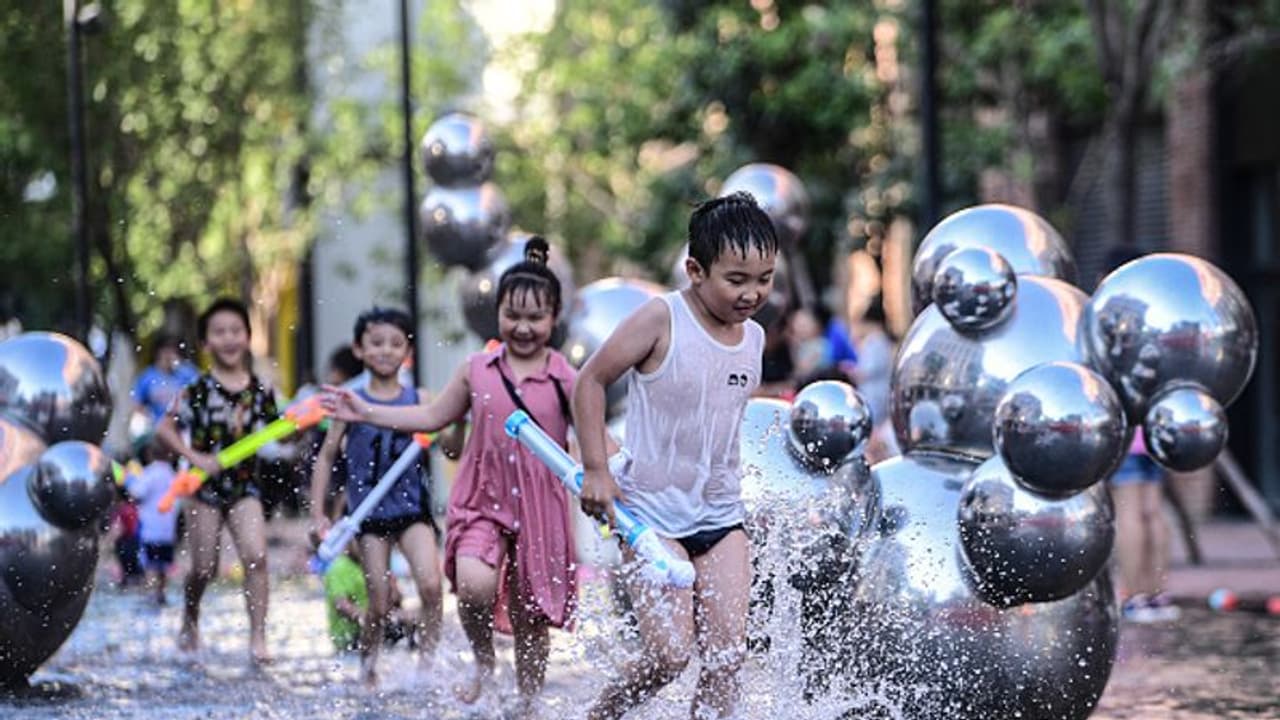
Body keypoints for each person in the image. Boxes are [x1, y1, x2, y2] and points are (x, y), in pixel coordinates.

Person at [323, 238, 579, 715]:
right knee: (474, 585)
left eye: (535, 318)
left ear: (555, 317)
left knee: (530, 615)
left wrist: (613, 475)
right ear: (496, 312)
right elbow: (429, 417)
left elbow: (594, 435)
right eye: (512, 315)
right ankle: (483, 662)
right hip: (482, 500)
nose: (522, 328)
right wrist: (368, 411)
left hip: (540, 509)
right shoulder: (477, 370)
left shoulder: (566, 377)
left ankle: (527, 701)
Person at [573, 192, 778, 720]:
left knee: (728, 656)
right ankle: (602, 714)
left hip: (720, 514)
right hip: (650, 514)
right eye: (737, 279)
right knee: (669, 655)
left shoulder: (753, 337)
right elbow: (590, 381)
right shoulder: (661, 318)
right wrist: (597, 468)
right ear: (695, 269)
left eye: (765, 279)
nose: (752, 293)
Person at [309, 307, 444, 687]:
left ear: (408, 350)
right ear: (359, 348)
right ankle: (368, 669)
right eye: (376, 343)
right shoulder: (349, 401)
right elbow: (327, 455)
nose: (386, 350)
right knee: (380, 601)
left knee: (432, 587)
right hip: (367, 516)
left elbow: (448, 440)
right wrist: (317, 512)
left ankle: (426, 670)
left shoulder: (420, 397)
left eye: (395, 343)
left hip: (412, 510)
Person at [155, 297, 280, 665]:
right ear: (206, 342)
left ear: (247, 337)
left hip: (245, 486)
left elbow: (279, 431)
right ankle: (190, 618)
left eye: (235, 331)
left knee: (256, 557)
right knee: (203, 568)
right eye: (219, 332)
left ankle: (258, 637)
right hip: (203, 489)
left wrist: (295, 430)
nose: (228, 339)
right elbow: (164, 428)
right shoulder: (196, 390)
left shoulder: (260, 390)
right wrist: (195, 458)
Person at [124, 434, 181, 605]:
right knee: (163, 565)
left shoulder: (149, 473)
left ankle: (150, 594)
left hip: (150, 529)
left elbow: (135, 493)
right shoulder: (172, 474)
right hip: (167, 530)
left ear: (149, 454)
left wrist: (128, 480)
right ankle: (161, 593)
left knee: (150, 565)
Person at [132, 332, 199, 424]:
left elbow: (200, 394)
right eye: (165, 351)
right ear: (157, 353)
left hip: (185, 423)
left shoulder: (187, 372)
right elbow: (137, 404)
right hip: (156, 428)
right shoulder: (148, 376)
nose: (169, 355)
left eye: (173, 351)